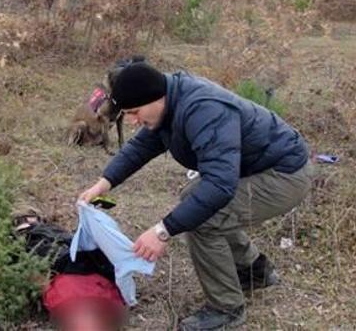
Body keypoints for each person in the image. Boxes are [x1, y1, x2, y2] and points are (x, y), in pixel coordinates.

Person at [78, 61, 312, 330]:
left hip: (285, 173)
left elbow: (219, 186)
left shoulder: (204, 109)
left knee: (203, 217)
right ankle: (253, 271)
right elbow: (141, 146)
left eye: (134, 112)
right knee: (194, 198)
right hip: (254, 167)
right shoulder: (167, 100)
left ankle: (227, 309)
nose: (132, 121)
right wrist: (103, 184)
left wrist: (163, 230)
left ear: (155, 99)